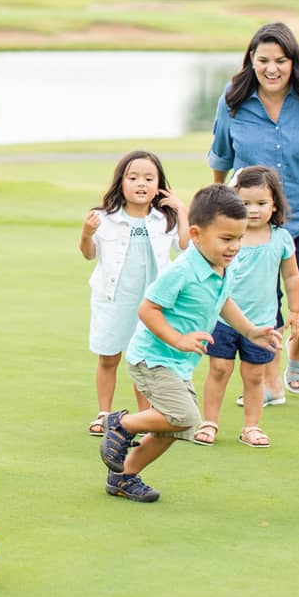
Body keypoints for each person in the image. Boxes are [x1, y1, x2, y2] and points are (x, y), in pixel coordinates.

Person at [99, 184, 281, 503]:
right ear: (195, 234)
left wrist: (251, 332)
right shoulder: (182, 270)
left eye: (239, 238)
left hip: (178, 363)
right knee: (185, 417)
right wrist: (178, 339)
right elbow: (147, 309)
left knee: (174, 428)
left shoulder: (223, 265)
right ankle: (120, 424)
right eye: (227, 238)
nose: (235, 246)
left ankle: (123, 477)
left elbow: (223, 301)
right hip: (152, 357)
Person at [208, 22, 299, 396]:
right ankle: (268, 382)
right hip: (250, 223)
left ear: (294, 61)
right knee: (261, 302)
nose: (272, 69)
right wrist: (214, 212)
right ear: (251, 61)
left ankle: (298, 346)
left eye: (281, 60)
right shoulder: (233, 100)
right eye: (263, 60)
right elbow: (221, 157)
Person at [79, 150, 189, 435]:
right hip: (114, 299)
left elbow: (186, 246)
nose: (141, 183)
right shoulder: (104, 218)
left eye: (149, 178)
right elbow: (89, 254)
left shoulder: (164, 219)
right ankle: (104, 412)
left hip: (151, 304)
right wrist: (86, 233)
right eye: (133, 177)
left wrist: (182, 209)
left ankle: (146, 416)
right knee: (109, 356)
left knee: (145, 358)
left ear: (159, 186)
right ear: (121, 183)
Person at [195, 166, 299, 448]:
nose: (253, 210)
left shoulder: (280, 238)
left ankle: (251, 427)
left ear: (274, 204)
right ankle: (209, 422)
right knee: (218, 369)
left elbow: (291, 275)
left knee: (255, 376)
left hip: (262, 323)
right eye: (245, 204)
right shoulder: (228, 236)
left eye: (261, 203)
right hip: (223, 320)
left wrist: (294, 310)